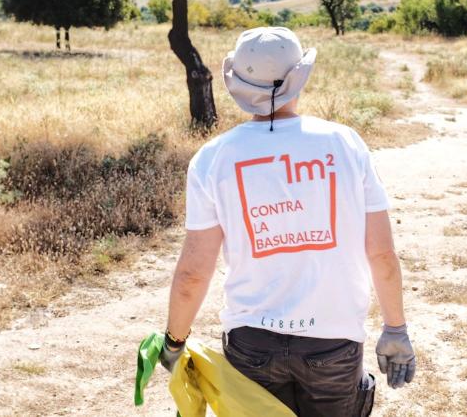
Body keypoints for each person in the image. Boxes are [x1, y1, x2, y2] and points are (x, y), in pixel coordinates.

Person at [158, 27, 415, 416]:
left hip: (251, 344)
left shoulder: (212, 158)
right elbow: (380, 253)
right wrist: (395, 329)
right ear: (299, 79)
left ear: (238, 86)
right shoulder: (345, 144)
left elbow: (194, 272)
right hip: (334, 340)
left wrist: (175, 342)